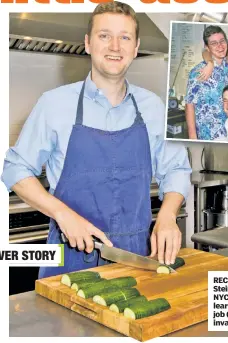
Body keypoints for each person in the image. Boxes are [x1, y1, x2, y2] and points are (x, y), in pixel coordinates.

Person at [1, 1, 192, 278]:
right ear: (88, 43)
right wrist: (62, 214)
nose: (115, 46)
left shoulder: (153, 107)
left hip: (135, 257)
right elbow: (14, 168)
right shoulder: (54, 104)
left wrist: (167, 215)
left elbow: (176, 168)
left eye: (124, 37)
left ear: (135, 47)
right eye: (105, 36)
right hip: (69, 260)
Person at [185, 25, 228, 140]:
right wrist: (192, 137)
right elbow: (190, 105)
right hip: (208, 136)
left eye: (222, 41)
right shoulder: (197, 72)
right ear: (207, 47)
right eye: (214, 43)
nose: (220, 46)